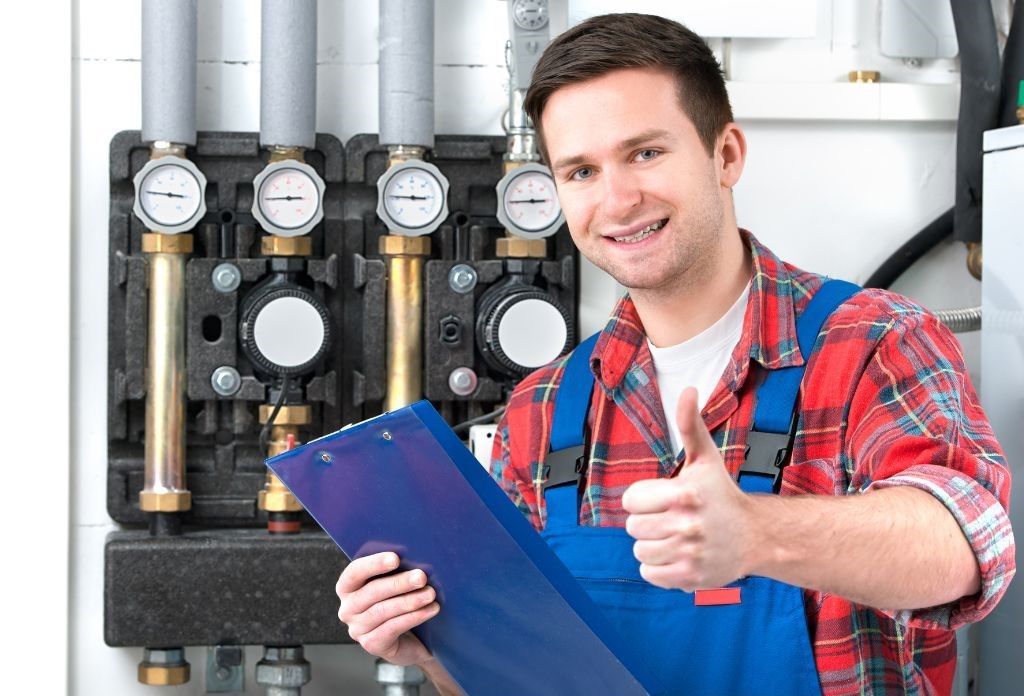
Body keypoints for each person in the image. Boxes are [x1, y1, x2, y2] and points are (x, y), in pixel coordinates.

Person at [335, 13, 1015, 695]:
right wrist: (432, 648)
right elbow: (521, 678)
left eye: (645, 153)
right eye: (581, 171)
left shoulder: (873, 342)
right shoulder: (541, 412)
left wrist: (757, 534)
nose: (618, 199)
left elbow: (967, 544)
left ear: (726, 155)